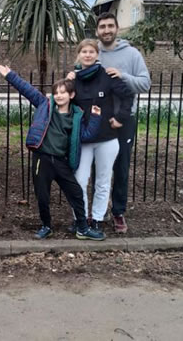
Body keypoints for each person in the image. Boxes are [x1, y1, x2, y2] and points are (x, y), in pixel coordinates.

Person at [0, 64, 105, 241]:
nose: (59, 95)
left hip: (61, 162)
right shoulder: (44, 105)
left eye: (63, 92)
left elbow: (85, 135)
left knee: (76, 193)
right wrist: (10, 75)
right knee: (43, 196)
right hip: (42, 159)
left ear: (71, 95)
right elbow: (27, 90)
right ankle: (46, 226)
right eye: (56, 92)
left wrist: (95, 118)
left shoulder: (76, 116)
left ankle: (83, 228)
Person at [69, 39, 133, 239]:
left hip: (107, 138)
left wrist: (120, 119)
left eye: (91, 51)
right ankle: (80, 218)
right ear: (79, 55)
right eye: (84, 51)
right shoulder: (74, 79)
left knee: (103, 181)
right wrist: (67, 79)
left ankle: (96, 219)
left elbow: (128, 95)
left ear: (97, 55)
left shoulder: (107, 76)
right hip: (83, 139)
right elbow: (62, 100)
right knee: (79, 181)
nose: (87, 55)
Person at [96, 13, 151, 233]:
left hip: (124, 119)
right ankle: (97, 211)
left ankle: (118, 212)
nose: (106, 30)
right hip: (98, 118)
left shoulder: (132, 54)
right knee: (97, 167)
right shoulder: (92, 51)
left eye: (110, 26)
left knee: (121, 166)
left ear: (117, 28)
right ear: (97, 30)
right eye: (102, 26)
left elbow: (145, 83)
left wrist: (123, 75)